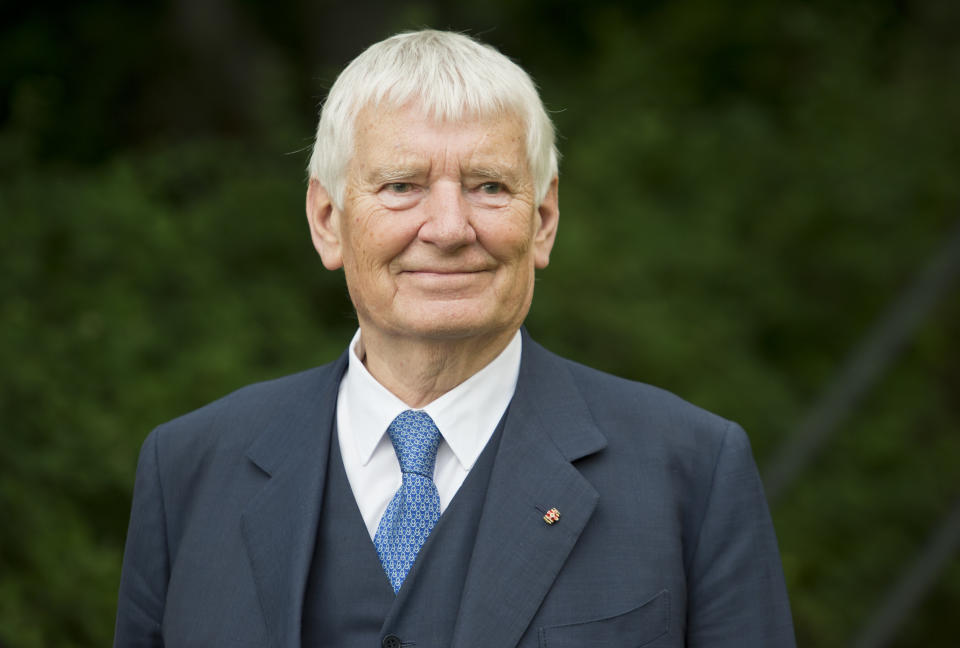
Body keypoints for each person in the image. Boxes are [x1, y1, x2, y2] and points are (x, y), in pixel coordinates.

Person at [114, 30, 795, 647]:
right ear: (327, 219)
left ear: (545, 220)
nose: (448, 227)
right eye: (403, 185)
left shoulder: (691, 474)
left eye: (489, 186)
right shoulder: (188, 472)